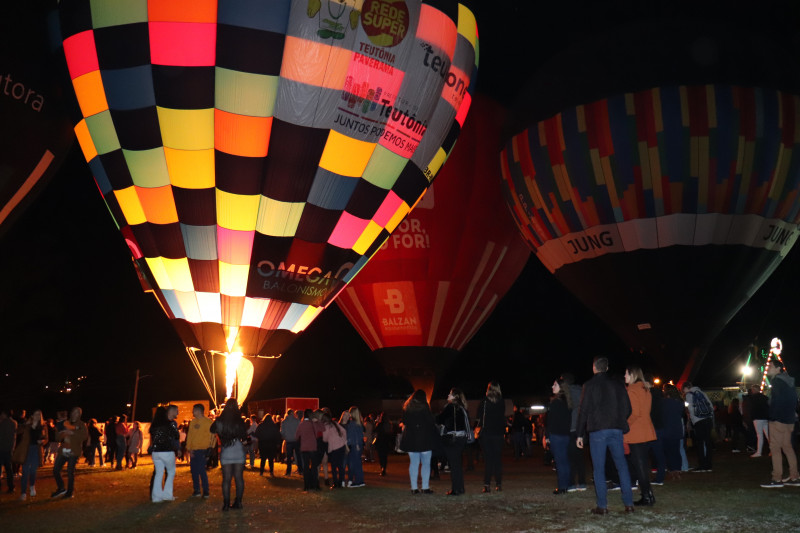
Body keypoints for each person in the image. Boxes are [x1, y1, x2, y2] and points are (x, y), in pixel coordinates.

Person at [576, 356, 635, 515]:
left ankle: (602, 506)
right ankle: (628, 504)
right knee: (621, 465)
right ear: (607, 368)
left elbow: (583, 411)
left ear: (594, 368)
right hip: (615, 429)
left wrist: (579, 434)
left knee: (599, 468)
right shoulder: (618, 384)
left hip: (598, 430)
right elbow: (628, 408)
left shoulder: (589, 385)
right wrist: (619, 419)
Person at [760, 361, 800, 488]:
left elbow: (776, 401)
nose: (768, 368)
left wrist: (773, 416)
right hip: (789, 420)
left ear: (778, 368)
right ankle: (795, 477)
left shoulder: (777, 381)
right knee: (787, 447)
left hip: (778, 420)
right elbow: (794, 400)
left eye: (770, 366)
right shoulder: (789, 382)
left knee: (775, 448)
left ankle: (777, 478)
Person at [624, 366, 657, 506]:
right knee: (642, 464)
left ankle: (647, 496)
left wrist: (624, 424)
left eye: (626, 374)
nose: (624, 376)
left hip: (635, 432)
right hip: (645, 430)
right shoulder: (645, 389)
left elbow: (634, 413)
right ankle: (648, 494)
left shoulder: (632, 390)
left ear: (632, 375)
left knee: (639, 465)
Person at [211, 400, 247, 510]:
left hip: (226, 450)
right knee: (239, 478)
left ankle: (226, 504)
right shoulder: (240, 421)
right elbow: (245, 439)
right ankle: (239, 502)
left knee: (226, 479)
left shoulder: (220, 421)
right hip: (238, 449)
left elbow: (211, 430)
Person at [400, 390, 437, 495]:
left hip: (411, 439)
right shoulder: (425, 408)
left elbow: (405, 421)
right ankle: (425, 487)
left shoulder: (407, 408)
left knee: (414, 463)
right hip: (425, 439)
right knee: (426, 464)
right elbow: (431, 422)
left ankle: (414, 488)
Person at [437, 387, 470, 496]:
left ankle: (456, 489)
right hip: (461, 438)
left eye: (450, 394)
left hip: (452, 438)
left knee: (454, 465)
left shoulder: (450, 407)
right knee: (457, 465)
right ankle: (460, 488)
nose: (448, 396)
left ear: (455, 396)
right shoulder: (462, 408)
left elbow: (439, 419)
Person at [52, 406, 88, 499]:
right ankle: (61, 488)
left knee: (70, 471)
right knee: (56, 469)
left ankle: (69, 492)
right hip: (63, 449)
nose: (75, 414)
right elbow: (57, 437)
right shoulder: (65, 423)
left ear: (79, 415)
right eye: (74, 412)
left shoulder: (81, 424)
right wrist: (62, 434)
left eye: (77, 413)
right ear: (71, 413)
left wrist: (72, 433)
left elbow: (84, 436)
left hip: (74, 451)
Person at [475, 381, 505, 493]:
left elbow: (479, 417)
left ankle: (487, 485)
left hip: (487, 434)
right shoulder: (501, 402)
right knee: (497, 459)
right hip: (498, 434)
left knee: (488, 460)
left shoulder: (484, 402)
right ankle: (499, 484)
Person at [546, 376, 572, 495]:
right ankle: (566, 485)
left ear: (560, 388)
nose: (552, 386)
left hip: (556, 435)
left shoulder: (555, 402)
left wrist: (547, 436)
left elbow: (550, 421)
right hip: (565, 435)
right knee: (564, 461)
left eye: (555, 385)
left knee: (560, 462)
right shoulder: (567, 403)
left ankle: (562, 487)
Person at [149, 405, 180, 503]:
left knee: (158, 474)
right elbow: (176, 435)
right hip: (167, 451)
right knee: (171, 472)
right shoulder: (169, 424)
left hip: (156, 452)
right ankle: (167, 495)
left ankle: (156, 497)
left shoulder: (153, 426)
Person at [14, 409, 47, 500]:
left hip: (36, 450)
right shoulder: (28, 425)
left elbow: (46, 438)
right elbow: (17, 431)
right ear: (32, 416)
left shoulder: (43, 426)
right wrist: (25, 424)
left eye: (39, 415)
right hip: (26, 450)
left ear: (41, 417)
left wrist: (43, 441)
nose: (37, 416)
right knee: (25, 471)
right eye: (35, 414)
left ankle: (32, 486)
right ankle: (23, 493)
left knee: (33, 471)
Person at [681, 381, 714, 472]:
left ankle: (702, 465)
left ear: (686, 388)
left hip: (698, 421)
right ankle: (708, 465)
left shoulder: (689, 395)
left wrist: (691, 420)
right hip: (708, 419)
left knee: (699, 443)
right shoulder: (701, 392)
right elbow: (710, 405)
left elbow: (690, 409)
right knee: (708, 442)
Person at [185, 403, 215, 498]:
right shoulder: (193, 422)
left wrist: (210, 449)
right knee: (194, 471)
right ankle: (197, 490)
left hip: (203, 450)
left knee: (202, 470)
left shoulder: (208, 422)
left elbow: (213, 436)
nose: (192, 412)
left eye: (194, 410)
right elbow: (189, 436)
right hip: (194, 450)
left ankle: (206, 491)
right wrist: (189, 448)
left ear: (198, 411)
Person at [661, 384, 685, 475]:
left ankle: (671, 468)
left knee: (668, 451)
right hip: (677, 428)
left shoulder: (664, 403)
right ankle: (678, 468)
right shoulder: (679, 402)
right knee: (676, 450)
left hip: (667, 429)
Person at [295, 409, 322, 492]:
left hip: (304, 448)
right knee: (314, 467)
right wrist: (318, 421)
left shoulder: (301, 424)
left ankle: (306, 486)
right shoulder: (313, 423)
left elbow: (296, 436)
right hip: (313, 447)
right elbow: (322, 429)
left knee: (306, 467)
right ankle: (315, 485)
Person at [321, 411, 348, 489]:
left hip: (334, 448)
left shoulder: (326, 426)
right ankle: (341, 482)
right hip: (341, 446)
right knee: (340, 466)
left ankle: (336, 483)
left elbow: (324, 439)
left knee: (334, 467)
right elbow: (344, 431)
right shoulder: (335, 423)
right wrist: (343, 440)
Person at [345, 407, 365, 487]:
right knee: (358, 463)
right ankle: (360, 480)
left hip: (355, 445)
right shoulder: (359, 423)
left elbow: (355, 436)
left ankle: (358, 481)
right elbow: (359, 435)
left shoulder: (352, 423)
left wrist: (356, 445)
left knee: (355, 463)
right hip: (358, 445)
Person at [749, 385, 770, 457]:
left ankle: (759, 452)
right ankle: (773, 450)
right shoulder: (765, 398)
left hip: (757, 418)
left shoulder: (753, 398)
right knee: (768, 435)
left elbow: (752, 409)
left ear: (754, 390)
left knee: (759, 435)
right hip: (765, 418)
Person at [0, 408, 17, 494]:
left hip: (2, 448)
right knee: (8, 469)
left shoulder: (3, 423)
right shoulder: (14, 423)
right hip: (9, 448)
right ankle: (11, 486)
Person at [280, 409, 301, 476]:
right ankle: (300, 470)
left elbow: (282, 432)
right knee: (298, 455)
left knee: (289, 457)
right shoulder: (297, 421)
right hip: (296, 440)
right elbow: (300, 430)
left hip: (288, 441)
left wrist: (285, 437)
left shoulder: (284, 422)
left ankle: (288, 471)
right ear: (292, 413)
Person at [374, 412, 393, 477]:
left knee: (381, 456)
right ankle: (383, 468)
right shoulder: (389, 424)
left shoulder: (380, 424)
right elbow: (391, 434)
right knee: (385, 457)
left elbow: (375, 431)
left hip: (380, 442)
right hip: (386, 442)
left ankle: (382, 468)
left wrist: (377, 422)